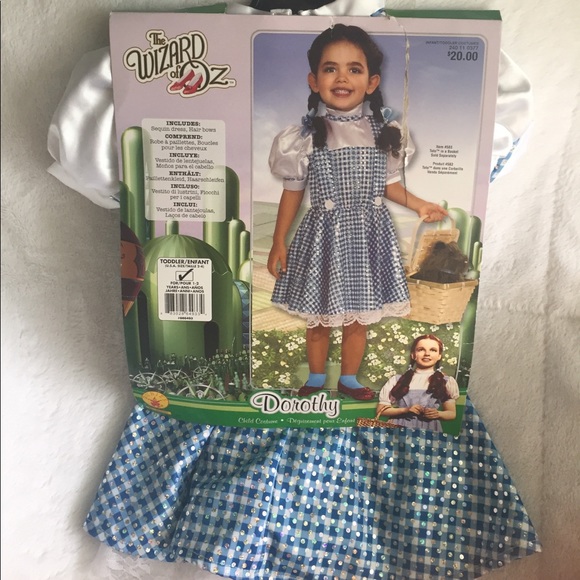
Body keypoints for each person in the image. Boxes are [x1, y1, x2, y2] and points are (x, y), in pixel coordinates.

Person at [267, 24, 447, 401]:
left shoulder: (384, 132)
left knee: (357, 316)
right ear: (314, 80)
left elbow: (390, 185)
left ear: (371, 81)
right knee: (319, 315)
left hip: (368, 236)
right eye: (330, 69)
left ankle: (349, 379)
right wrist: (278, 240)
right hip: (323, 237)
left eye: (354, 69)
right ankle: (317, 376)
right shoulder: (304, 136)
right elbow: (293, 192)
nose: (342, 78)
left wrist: (420, 204)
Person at [377, 334, 459, 431]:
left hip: (429, 428)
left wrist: (438, 414)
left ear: (439, 356)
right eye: (421, 349)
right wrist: (405, 410)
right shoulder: (397, 380)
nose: (427, 353)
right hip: (399, 427)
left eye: (433, 350)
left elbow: (451, 413)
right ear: (413, 355)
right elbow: (381, 409)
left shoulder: (446, 381)